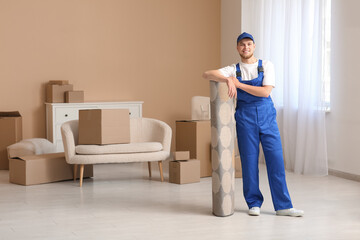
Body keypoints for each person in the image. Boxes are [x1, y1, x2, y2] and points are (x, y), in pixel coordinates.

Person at [203, 32, 304, 217]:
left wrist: (238, 85)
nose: (246, 47)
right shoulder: (233, 69)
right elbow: (206, 74)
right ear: (237, 48)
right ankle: (253, 203)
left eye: (249, 44)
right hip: (245, 118)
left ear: (254, 46)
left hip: (267, 117)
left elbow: (265, 92)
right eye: (242, 44)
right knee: (249, 162)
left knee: (276, 161)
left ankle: (283, 206)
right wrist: (227, 79)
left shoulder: (266, 65)